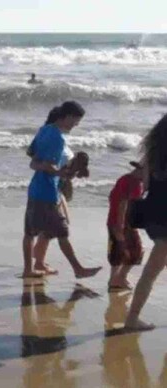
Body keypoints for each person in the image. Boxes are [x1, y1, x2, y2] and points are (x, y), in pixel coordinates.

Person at [22, 101, 102, 279]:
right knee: (62, 232)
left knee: (32, 232)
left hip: (38, 189)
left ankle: (32, 267)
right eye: (76, 120)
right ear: (67, 116)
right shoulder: (57, 138)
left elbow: (33, 158)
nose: (77, 124)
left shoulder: (44, 130)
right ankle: (78, 269)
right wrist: (61, 171)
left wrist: (62, 170)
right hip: (48, 192)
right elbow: (48, 165)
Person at [125, 114, 167, 331]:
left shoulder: (152, 153)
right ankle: (132, 318)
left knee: (152, 271)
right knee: (151, 271)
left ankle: (132, 317)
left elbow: (144, 182)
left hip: (154, 214)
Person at [106, 161, 145, 291]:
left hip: (113, 220)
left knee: (118, 251)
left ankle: (114, 279)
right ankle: (119, 278)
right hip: (123, 223)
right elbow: (123, 203)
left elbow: (112, 197)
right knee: (135, 251)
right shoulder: (135, 183)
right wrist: (120, 226)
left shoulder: (124, 178)